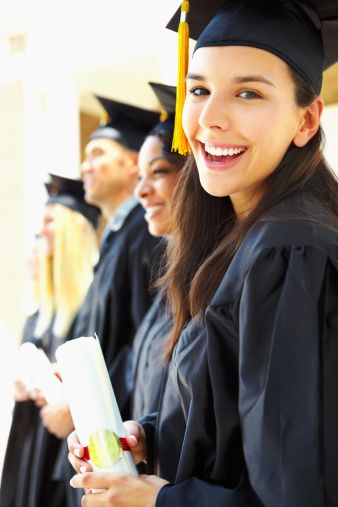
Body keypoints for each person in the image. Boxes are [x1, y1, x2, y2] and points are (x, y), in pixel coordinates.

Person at [67, 0, 338, 506]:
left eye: (249, 93)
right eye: (199, 89)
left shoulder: (290, 253)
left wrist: (158, 500)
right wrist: (146, 438)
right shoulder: (239, 237)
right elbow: (239, 414)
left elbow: (299, 490)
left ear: (306, 121)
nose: (210, 118)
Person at [0, 174, 100, 507]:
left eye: (50, 221)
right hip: (34, 445)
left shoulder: (92, 304)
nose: (41, 232)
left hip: (67, 450)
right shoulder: (41, 310)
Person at [130, 82, 186, 421]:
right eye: (140, 176)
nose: (141, 191)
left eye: (159, 172)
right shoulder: (173, 272)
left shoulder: (218, 275)